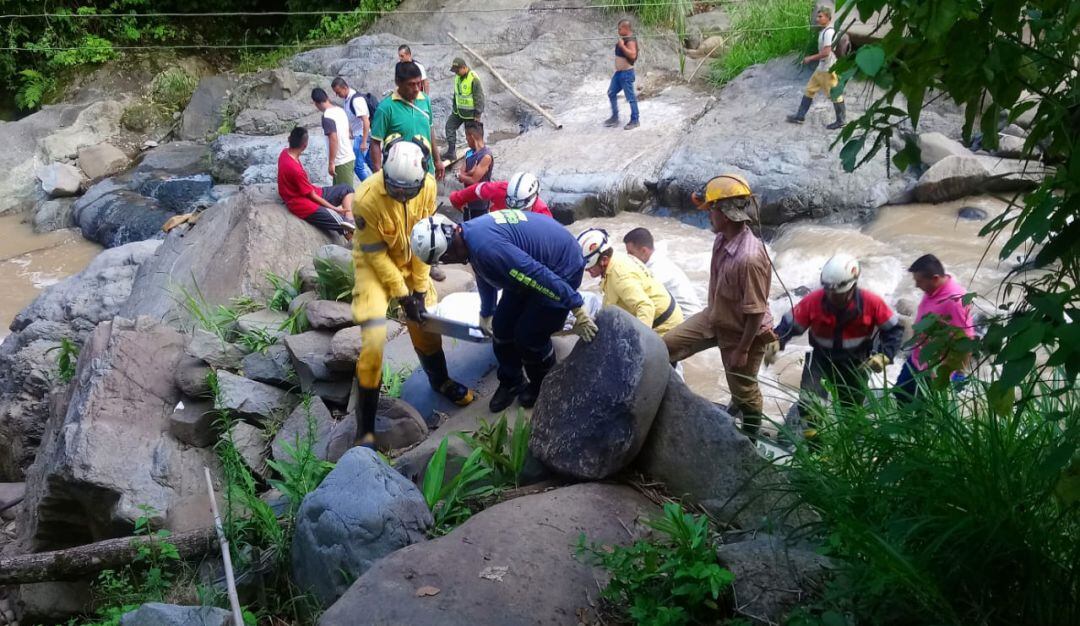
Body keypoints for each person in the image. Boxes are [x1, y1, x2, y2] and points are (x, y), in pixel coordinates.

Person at [350, 135, 475, 448]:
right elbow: (375, 254)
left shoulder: (429, 186)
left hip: (413, 259)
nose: (403, 197)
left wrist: (417, 289)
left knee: (425, 321)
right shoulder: (365, 198)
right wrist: (402, 295)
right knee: (373, 341)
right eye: (396, 190)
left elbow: (425, 239)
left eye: (409, 191)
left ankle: (440, 380)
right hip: (374, 266)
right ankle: (365, 428)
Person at [410, 210, 598, 413]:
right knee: (501, 326)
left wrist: (575, 305)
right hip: (531, 261)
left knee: (529, 336)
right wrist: (487, 311)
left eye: (443, 260)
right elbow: (484, 272)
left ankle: (545, 386)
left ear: (447, 253)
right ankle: (512, 382)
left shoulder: (487, 248)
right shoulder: (468, 237)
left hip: (562, 267)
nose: (446, 263)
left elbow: (535, 274)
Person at [662, 175, 777, 436]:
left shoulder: (749, 258)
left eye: (711, 209)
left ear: (725, 214)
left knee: (745, 392)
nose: (708, 215)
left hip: (743, 332)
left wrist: (743, 350)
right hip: (715, 317)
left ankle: (750, 439)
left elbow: (756, 311)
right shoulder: (721, 239)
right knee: (666, 346)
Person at [774, 254, 904, 438]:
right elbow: (790, 325)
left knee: (851, 409)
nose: (832, 297)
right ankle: (815, 446)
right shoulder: (814, 301)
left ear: (852, 286)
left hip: (856, 362)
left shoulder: (871, 303)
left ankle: (849, 444)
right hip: (821, 358)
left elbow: (894, 330)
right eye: (829, 292)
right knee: (810, 404)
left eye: (838, 294)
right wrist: (777, 340)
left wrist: (884, 355)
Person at [895, 254, 975, 400]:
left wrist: (959, 373)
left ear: (935, 278)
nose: (916, 285)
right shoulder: (932, 290)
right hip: (917, 359)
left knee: (924, 407)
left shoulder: (954, 301)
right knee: (900, 393)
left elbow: (966, 339)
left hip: (935, 368)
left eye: (919, 281)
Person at [578, 228, 683, 335]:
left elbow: (646, 307)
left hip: (664, 327)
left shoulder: (620, 276)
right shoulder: (614, 259)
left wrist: (639, 340)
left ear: (604, 260)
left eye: (590, 266)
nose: (586, 270)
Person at [370, 61, 445, 181]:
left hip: (426, 171)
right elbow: (375, 142)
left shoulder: (425, 100)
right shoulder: (386, 108)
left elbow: (430, 130)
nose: (416, 89)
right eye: (411, 84)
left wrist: (437, 161)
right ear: (398, 82)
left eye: (419, 83)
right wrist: (378, 175)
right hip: (399, 177)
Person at [276, 126, 356, 238]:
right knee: (342, 223)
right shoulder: (295, 170)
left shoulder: (284, 153)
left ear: (289, 139)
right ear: (305, 145)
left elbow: (310, 192)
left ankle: (349, 219)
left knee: (347, 189)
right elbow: (312, 196)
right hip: (303, 205)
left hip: (311, 192)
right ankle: (351, 237)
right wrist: (334, 209)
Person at [787, 6, 845, 129]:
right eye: (817, 16)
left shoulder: (829, 32)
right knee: (809, 89)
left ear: (828, 18)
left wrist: (810, 58)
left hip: (828, 68)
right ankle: (800, 116)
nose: (817, 19)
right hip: (821, 67)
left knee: (834, 94)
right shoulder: (824, 31)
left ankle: (841, 121)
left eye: (820, 16)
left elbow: (826, 52)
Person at [623, 227, 703, 315]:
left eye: (631, 253)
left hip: (686, 318)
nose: (628, 257)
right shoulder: (656, 260)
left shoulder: (657, 270)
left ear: (644, 251)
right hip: (681, 314)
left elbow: (638, 300)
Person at [449, 172, 552, 218]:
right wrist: (457, 199)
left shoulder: (543, 215)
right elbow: (477, 189)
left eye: (522, 209)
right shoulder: (500, 190)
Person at [330, 76, 373, 183]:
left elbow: (366, 121)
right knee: (371, 163)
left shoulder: (356, 100)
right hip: (359, 135)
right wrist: (350, 131)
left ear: (345, 88)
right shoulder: (347, 99)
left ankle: (370, 187)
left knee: (358, 167)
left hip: (362, 136)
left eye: (338, 92)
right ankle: (383, 183)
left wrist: (364, 141)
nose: (337, 95)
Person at [311, 88, 356, 188]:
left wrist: (331, 162)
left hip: (341, 160)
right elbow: (349, 131)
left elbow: (333, 139)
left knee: (345, 193)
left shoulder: (327, 116)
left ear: (316, 103)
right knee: (340, 192)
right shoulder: (340, 110)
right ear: (326, 97)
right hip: (348, 156)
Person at [441, 57, 485, 162]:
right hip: (459, 112)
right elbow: (456, 94)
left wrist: (477, 114)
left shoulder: (473, 78)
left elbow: (479, 97)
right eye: (455, 71)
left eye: (457, 70)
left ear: (464, 68)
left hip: (471, 114)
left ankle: (478, 155)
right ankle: (451, 152)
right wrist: (454, 108)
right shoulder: (457, 77)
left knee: (471, 136)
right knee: (449, 126)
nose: (456, 73)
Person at [603, 18, 639, 130]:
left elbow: (632, 55)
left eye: (619, 29)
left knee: (631, 98)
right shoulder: (624, 39)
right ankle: (615, 117)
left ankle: (635, 120)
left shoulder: (630, 41)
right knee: (611, 93)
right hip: (619, 74)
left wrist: (622, 46)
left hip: (626, 74)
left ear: (625, 28)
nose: (618, 31)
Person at [456, 122, 494, 220]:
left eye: (467, 137)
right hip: (468, 201)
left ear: (472, 137)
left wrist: (462, 176)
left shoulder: (486, 156)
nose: (466, 140)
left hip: (480, 204)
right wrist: (469, 173)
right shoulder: (469, 153)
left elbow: (473, 180)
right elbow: (460, 175)